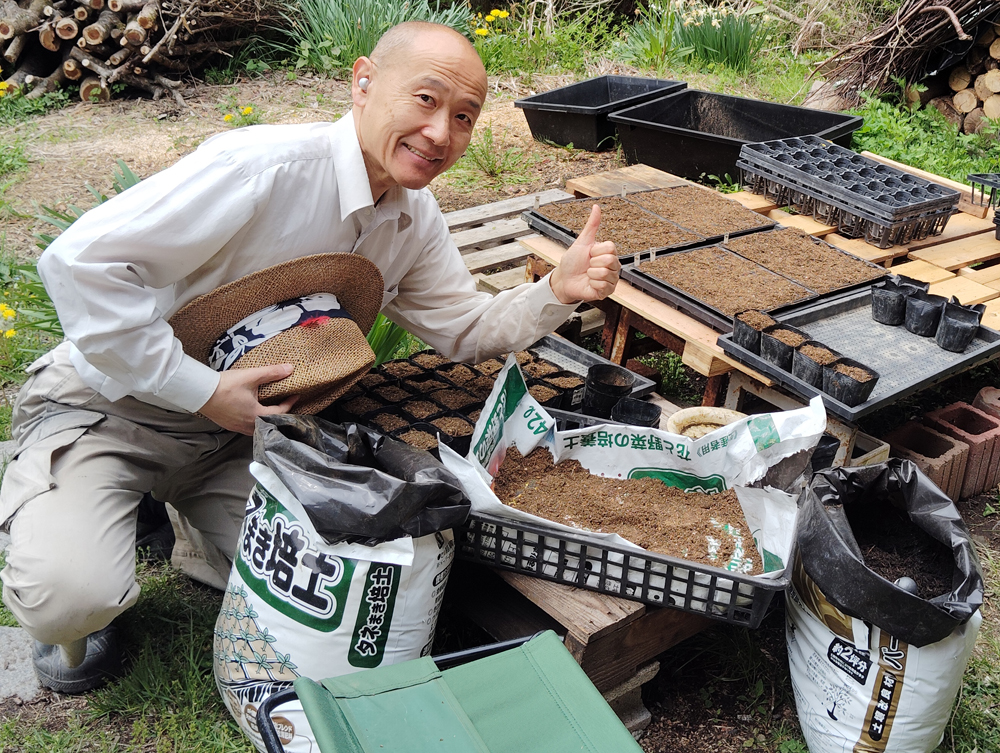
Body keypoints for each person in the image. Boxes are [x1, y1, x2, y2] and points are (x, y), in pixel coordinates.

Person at [0, 20, 620, 694]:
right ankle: (78, 544)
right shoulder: (260, 169)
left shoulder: (412, 217)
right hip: (115, 409)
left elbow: (463, 327)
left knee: (341, 582)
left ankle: (180, 518)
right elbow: (80, 263)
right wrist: (201, 390)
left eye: (464, 116)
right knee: (72, 596)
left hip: (242, 437)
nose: (441, 132)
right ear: (363, 83)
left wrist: (556, 291)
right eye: (426, 99)